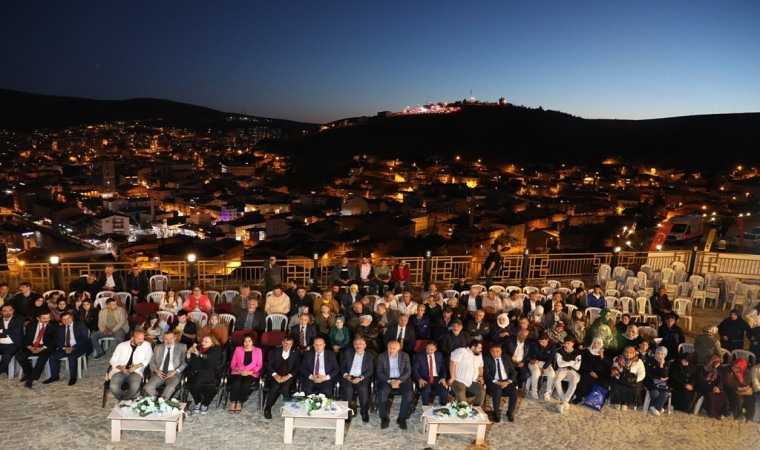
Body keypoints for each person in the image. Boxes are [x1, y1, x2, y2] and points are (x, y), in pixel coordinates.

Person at [376, 339, 413, 430]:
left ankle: (401, 418)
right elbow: (379, 372)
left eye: (394, 348)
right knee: (381, 392)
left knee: (408, 393)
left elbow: (408, 371)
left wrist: (398, 381)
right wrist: (390, 381)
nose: (391, 350)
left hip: (401, 380)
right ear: (387, 347)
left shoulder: (405, 356)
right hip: (387, 380)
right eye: (389, 348)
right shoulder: (381, 356)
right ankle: (384, 418)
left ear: (399, 348)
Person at [44, 311, 88, 386]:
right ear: (61, 320)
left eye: (68, 318)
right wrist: (64, 348)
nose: (66, 321)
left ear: (71, 318)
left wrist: (73, 348)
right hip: (65, 348)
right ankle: (54, 376)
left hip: (78, 347)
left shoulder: (80, 325)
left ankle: (73, 377)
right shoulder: (61, 328)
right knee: (52, 357)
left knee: (71, 357)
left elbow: (84, 338)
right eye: (64, 319)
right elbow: (58, 341)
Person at [108, 330, 153, 401]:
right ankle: (124, 401)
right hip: (120, 371)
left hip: (136, 371)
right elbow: (113, 360)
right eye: (138, 339)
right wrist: (120, 367)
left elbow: (148, 359)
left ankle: (124, 401)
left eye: (143, 338)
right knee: (113, 387)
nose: (141, 341)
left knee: (135, 386)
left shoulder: (147, 345)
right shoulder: (122, 346)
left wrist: (137, 366)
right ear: (132, 338)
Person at [263, 336, 300, 419]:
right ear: (282, 343)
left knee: (284, 388)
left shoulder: (296, 352)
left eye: (290, 344)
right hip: (276, 374)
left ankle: (289, 406)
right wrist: (275, 375)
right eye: (286, 343)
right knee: (274, 387)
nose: (287, 346)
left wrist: (289, 376)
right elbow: (268, 365)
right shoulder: (276, 351)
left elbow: (297, 366)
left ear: (292, 344)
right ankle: (267, 407)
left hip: (288, 375)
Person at [144, 331, 187, 400]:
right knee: (147, 387)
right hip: (159, 373)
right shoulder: (158, 347)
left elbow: (184, 363)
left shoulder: (182, 347)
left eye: (171, 338)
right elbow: (152, 362)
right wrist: (156, 371)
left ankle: (162, 401)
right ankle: (159, 399)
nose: (168, 341)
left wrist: (175, 371)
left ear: (175, 338)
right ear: (163, 339)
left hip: (173, 374)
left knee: (170, 387)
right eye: (166, 339)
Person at [340, 336, 374, 422]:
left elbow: (370, 370)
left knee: (362, 389)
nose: (358, 346)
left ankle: (364, 412)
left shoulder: (370, 356)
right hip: (349, 376)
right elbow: (342, 367)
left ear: (364, 345)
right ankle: (346, 413)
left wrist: (360, 378)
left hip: (361, 377)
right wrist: (346, 375)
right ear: (353, 345)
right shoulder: (348, 353)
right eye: (355, 344)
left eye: (360, 344)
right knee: (348, 389)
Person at [187, 335, 223, 415]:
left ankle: (205, 404)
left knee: (211, 386)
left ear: (212, 343)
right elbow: (189, 361)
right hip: (197, 371)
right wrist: (189, 353)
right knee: (192, 385)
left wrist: (199, 354)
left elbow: (211, 359)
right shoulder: (198, 347)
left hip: (211, 371)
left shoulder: (216, 349)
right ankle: (198, 401)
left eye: (206, 342)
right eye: (203, 341)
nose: (203, 343)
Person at [227, 333, 263, 413]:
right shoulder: (238, 349)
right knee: (236, 382)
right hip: (238, 371)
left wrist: (250, 372)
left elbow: (259, 365)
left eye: (249, 341)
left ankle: (240, 401)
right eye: (245, 341)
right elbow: (233, 364)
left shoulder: (258, 351)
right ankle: (233, 401)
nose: (247, 343)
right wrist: (239, 371)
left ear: (253, 341)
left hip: (251, 373)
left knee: (245, 384)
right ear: (243, 342)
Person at [484, 344, 518, 422]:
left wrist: (508, 382)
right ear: (490, 352)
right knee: (497, 391)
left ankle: (510, 413)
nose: (495, 354)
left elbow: (514, 372)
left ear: (501, 351)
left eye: (497, 351)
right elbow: (486, 374)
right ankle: (496, 413)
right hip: (494, 381)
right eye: (493, 352)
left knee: (514, 392)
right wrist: (497, 382)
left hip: (506, 381)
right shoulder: (487, 358)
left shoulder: (506, 358)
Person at [448, 339, 486, 407]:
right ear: (473, 347)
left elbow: (480, 367)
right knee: (460, 393)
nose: (481, 350)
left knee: (481, 392)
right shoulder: (461, 351)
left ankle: (476, 409)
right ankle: (464, 411)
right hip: (459, 380)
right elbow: (452, 363)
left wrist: (480, 376)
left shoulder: (479, 355)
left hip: (473, 381)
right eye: (479, 348)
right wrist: (452, 377)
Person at [573, 337, 610, 405]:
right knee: (585, 378)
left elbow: (609, 364)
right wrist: (590, 371)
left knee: (604, 383)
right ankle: (579, 397)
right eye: (594, 343)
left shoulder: (605, 352)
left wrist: (602, 357)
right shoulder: (587, 351)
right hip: (588, 371)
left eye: (598, 343)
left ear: (601, 344)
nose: (596, 345)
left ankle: (596, 401)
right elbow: (583, 363)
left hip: (600, 374)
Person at [412, 340, 449, 407]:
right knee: (426, 390)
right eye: (427, 349)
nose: (429, 351)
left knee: (444, 389)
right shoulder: (419, 356)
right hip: (424, 378)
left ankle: (443, 407)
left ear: (435, 349)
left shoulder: (439, 355)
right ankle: (425, 407)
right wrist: (419, 379)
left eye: (431, 349)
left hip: (436, 377)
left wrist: (443, 378)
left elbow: (443, 368)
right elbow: (414, 369)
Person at [608, 346, 646, 410]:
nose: (628, 354)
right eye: (626, 352)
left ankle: (625, 403)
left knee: (633, 387)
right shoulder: (618, 358)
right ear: (623, 352)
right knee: (616, 385)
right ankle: (616, 401)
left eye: (631, 352)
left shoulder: (639, 361)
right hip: (619, 377)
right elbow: (614, 369)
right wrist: (620, 378)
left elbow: (642, 372)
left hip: (632, 380)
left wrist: (636, 379)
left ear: (634, 353)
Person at [553, 336, 582, 413]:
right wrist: (571, 362)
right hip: (561, 370)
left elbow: (577, 366)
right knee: (556, 380)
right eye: (565, 343)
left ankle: (563, 402)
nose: (566, 345)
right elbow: (560, 364)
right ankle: (565, 401)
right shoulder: (559, 351)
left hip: (573, 371)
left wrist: (566, 363)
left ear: (572, 344)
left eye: (568, 343)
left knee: (574, 383)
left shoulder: (577, 353)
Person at [696, 354, 730, 419]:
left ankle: (722, 412)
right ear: (712, 362)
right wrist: (711, 388)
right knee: (711, 396)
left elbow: (720, 380)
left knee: (723, 396)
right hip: (704, 387)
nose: (718, 365)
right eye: (717, 363)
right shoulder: (701, 369)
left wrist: (717, 387)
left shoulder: (717, 370)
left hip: (714, 387)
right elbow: (701, 381)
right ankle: (713, 413)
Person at [528, 333, 556, 400]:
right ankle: (534, 390)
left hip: (545, 363)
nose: (541, 343)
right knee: (536, 372)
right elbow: (531, 355)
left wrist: (544, 368)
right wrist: (533, 360)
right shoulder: (535, 344)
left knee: (552, 374)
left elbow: (550, 359)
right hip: (535, 362)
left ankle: (547, 392)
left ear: (547, 340)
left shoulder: (552, 346)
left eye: (543, 342)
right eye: (539, 341)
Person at [644, 346, 672, 415]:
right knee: (655, 393)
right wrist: (658, 378)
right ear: (655, 353)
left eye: (662, 354)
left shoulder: (667, 362)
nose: (659, 355)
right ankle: (658, 407)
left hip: (662, 384)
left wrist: (661, 365)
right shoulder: (649, 360)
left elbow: (664, 376)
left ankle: (654, 407)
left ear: (664, 355)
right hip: (650, 381)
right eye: (658, 353)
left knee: (665, 394)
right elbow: (647, 374)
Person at [0, 303, 24, 376]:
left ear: (13, 311)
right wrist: (9, 332)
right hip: (1, 343)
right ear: (1, 312)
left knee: (6, 355)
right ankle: (6, 369)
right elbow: (12, 331)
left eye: (10, 310)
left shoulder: (19, 318)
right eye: (5, 311)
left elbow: (16, 331)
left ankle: (1, 369)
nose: (8, 312)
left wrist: (1, 331)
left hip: (14, 344)